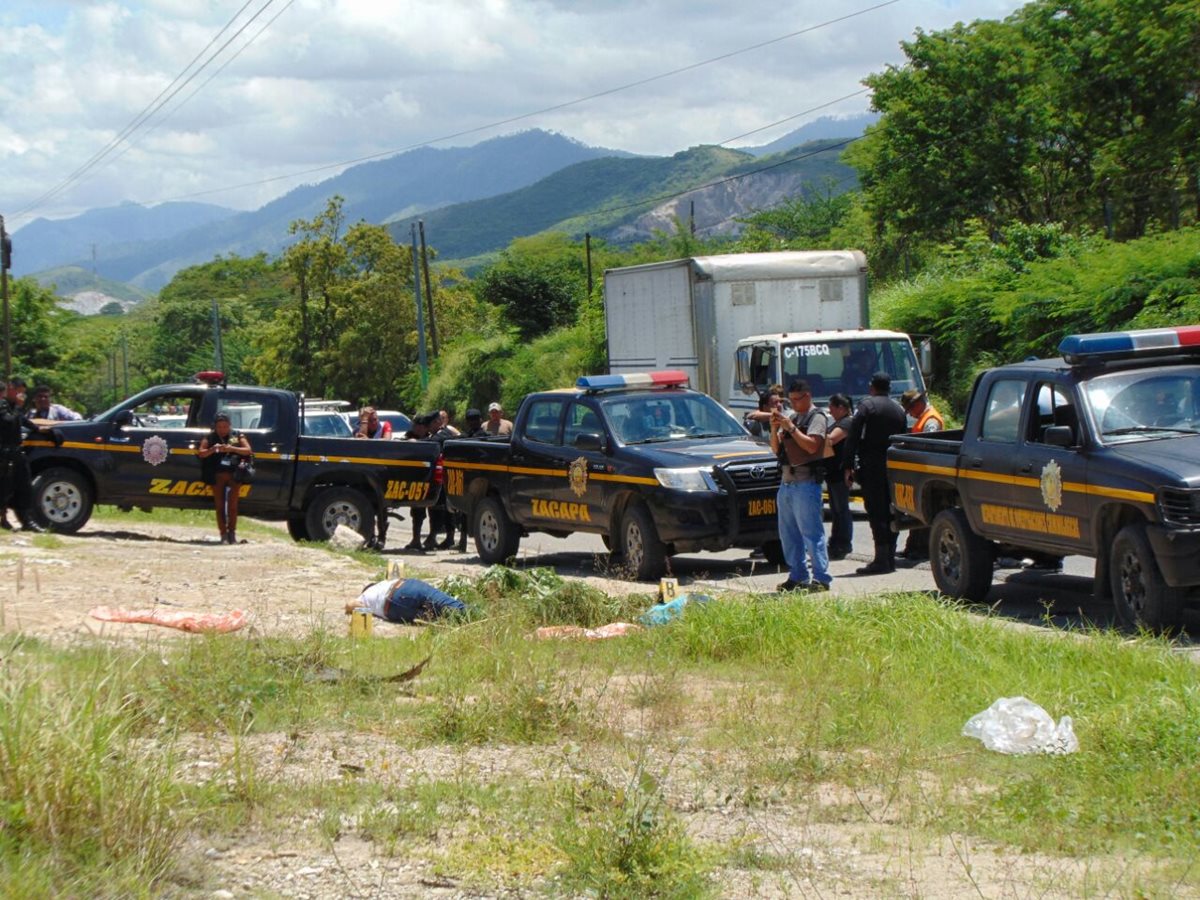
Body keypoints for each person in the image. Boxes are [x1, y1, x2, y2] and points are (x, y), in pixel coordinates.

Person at [769, 379, 832, 592]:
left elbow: (812, 445)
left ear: (807, 396)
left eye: (797, 399)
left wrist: (791, 428)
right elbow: (776, 449)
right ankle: (797, 576)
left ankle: (821, 578)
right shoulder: (793, 417)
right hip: (786, 483)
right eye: (791, 400)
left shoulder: (818, 417)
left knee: (811, 533)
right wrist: (774, 428)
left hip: (806, 484)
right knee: (788, 534)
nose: (794, 404)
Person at [842, 372, 907, 574]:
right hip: (894, 467)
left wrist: (847, 465)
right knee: (892, 510)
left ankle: (881, 559)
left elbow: (852, 436)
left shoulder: (867, 406)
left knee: (876, 511)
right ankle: (889, 558)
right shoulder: (899, 409)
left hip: (872, 468)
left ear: (872, 386)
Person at [1, 377, 58, 532]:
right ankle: (5, 518)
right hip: (5, 452)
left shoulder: (11, 405)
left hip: (15, 450)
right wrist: (19, 407)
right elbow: (8, 421)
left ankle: (26, 520)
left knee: (23, 485)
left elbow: (22, 421)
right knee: (6, 487)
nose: (22, 397)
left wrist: (38, 429)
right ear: (11, 389)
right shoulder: (3, 404)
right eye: (20, 393)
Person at [897, 389, 944, 561]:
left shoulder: (931, 421)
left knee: (923, 513)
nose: (910, 413)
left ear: (917, 404)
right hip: (920, 472)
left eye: (910, 409)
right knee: (916, 511)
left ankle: (922, 549)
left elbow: (928, 445)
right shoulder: (925, 418)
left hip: (927, 473)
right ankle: (912, 547)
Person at [197, 412, 252, 544]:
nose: (223, 429)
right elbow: (201, 453)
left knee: (233, 506)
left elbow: (248, 450)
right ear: (215, 427)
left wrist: (232, 448)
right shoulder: (210, 437)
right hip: (217, 475)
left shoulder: (236, 435)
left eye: (225, 426)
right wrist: (213, 449)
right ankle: (223, 535)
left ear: (230, 426)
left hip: (234, 474)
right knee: (220, 505)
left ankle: (232, 533)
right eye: (220, 426)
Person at [345, 577, 467, 623]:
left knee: (440, 615)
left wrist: (368, 609)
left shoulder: (366, 596)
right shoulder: (378, 586)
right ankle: (480, 615)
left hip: (394, 608)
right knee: (454, 607)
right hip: (405, 588)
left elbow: (349, 605)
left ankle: (472, 618)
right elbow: (350, 604)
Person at [824, 393, 854, 560]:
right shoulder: (838, 422)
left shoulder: (846, 423)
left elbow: (831, 440)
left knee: (842, 509)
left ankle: (843, 543)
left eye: (832, 408)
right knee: (836, 509)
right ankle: (836, 541)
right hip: (833, 472)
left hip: (840, 472)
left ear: (841, 408)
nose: (830, 412)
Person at [401, 414, 434, 551]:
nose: (413, 427)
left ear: (423, 427)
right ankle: (416, 539)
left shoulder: (431, 439)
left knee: (433, 511)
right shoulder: (408, 436)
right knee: (416, 511)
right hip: (414, 479)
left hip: (428, 478)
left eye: (416, 425)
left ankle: (432, 539)